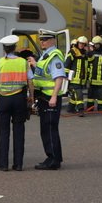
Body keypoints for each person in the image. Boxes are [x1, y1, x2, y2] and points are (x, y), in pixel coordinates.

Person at [0, 35, 34, 171]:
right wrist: (31, 97)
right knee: (19, 131)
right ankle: (18, 164)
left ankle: (3, 164)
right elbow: (30, 82)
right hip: (20, 100)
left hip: (3, 100)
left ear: (4, 49)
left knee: (4, 133)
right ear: (15, 48)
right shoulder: (23, 63)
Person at [29, 29, 67, 170]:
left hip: (50, 97)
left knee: (50, 129)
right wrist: (34, 63)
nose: (42, 42)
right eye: (41, 40)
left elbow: (58, 78)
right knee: (46, 129)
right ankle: (53, 157)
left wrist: (54, 96)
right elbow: (43, 73)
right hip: (43, 96)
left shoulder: (54, 56)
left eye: (45, 39)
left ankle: (53, 160)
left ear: (52, 40)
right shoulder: (46, 55)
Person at [85, 35, 102, 114]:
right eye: (94, 44)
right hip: (92, 78)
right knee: (90, 95)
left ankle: (101, 108)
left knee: (100, 95)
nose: (96, 46)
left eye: (97, 44)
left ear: (100, 44)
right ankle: (90, 108)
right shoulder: (90, 53)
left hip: (101, 79)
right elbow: (87, 65)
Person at [65, 35, 89, 116]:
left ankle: (70, 108)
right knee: (79, 94)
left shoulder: (85, 54)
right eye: (80, 43)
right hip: (74, 78)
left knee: (75, 94)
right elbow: (67, 64)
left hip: (82, 79)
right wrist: (66, 75)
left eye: (83, 44)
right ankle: (81, 110)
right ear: (77, 43)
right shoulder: (73, 51)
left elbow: (86, 66)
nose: (81, 45)